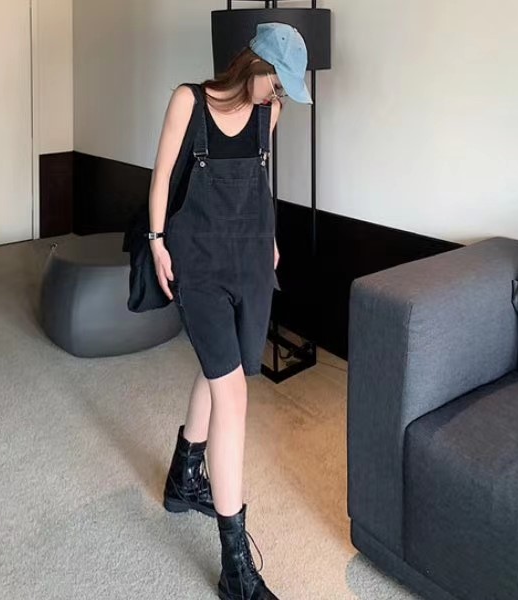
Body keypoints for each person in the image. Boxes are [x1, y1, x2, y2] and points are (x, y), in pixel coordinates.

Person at [147, 22, 312, 600]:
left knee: (224, 371)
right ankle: (236, 566)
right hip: (197, 263)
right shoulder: (188, 101)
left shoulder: (271, 114)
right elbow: (162, 177)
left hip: (249, 260)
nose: (279, 94)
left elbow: (257, 181)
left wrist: (269, 237)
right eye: (277, 82)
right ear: (255, 66)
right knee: (234, 395)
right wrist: (156, 241)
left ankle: (184, 476)